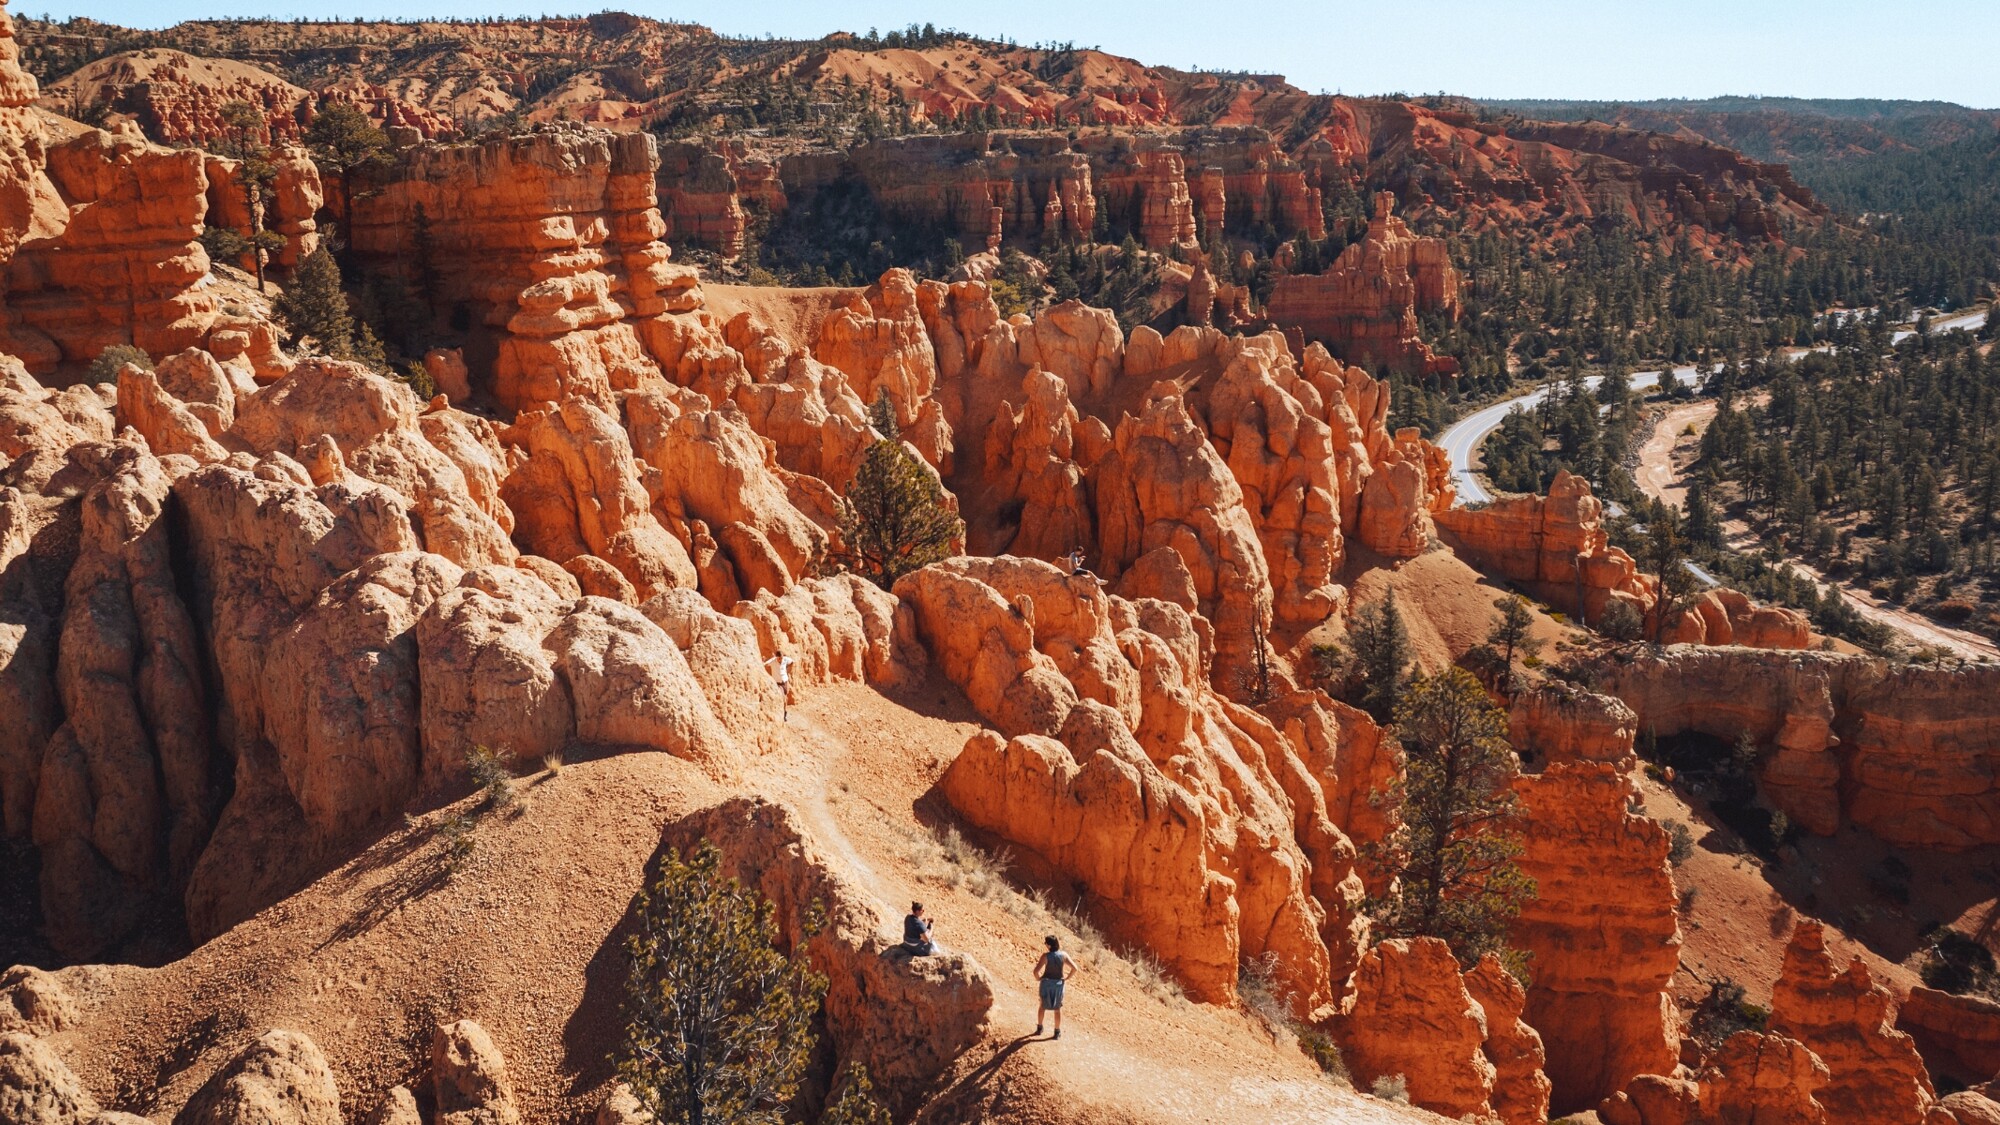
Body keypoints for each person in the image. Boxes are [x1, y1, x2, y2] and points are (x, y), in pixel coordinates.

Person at [1033, 934, 1079, 1039]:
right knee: (1057, 1008)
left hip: (1046, 984)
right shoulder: (1063, 955)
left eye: (1045, 943)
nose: (1045, 945)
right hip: (1058, 985)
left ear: (1049, 945)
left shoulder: (1045, 956)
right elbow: (1075, 968)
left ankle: (1040, 1028)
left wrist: (1039, 978)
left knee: (1042, 1006)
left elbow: (1035, 971)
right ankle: (1057, 1032)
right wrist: (1067, 978)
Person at [765, 650, 795, 720]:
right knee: (783, 698)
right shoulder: (772, 661)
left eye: (781, 658)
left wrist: (788, 670)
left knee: (785, 699)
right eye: (779, 658)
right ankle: (780, 715)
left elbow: (792, 662)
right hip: (777, 683)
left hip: (785, 681)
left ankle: (785, 713)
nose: (781, 660)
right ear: (776, 657)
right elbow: (765, 664)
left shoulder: (785, 659)